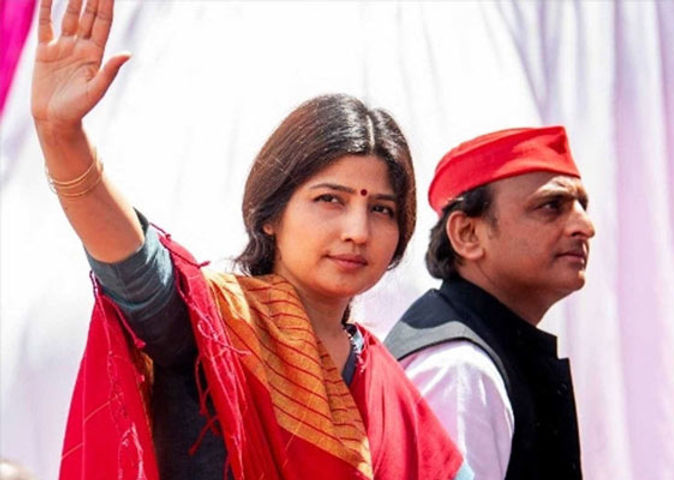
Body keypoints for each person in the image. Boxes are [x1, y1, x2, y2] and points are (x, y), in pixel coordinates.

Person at [31, 0, 472, 478]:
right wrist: (62, 137)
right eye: (330, 200)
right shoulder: (212, 327)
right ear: (270, 217)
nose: (357, 231)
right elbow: (136, 265)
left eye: (381, 209)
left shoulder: (393, 395)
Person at [385, 127, 596, 479]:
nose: (585, 226)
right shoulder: (459, 369)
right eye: (550, 206)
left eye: (582, 206)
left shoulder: (477, 351)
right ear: (467, 234)